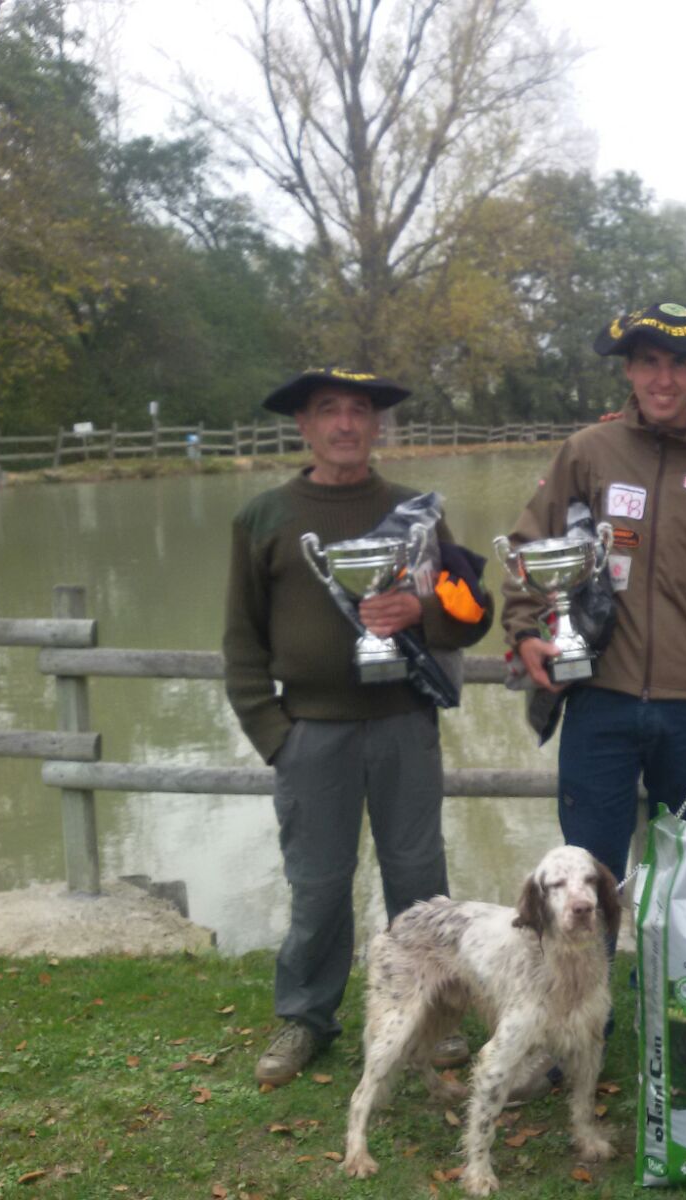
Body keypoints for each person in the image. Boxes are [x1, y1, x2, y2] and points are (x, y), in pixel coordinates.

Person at [223, 368, 491, 1088]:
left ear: (378, 427)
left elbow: (474, 615)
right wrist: (272, 733)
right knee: (316, 886)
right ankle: (306, 1017)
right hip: (310, 733)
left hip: (404, 725)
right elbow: (242, 640)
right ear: (305, 427)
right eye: (327, 411)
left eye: (360, 411)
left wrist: (422, 616)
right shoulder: (264, 518)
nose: (345, 423)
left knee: (420, 884)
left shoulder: (417, 514)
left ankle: (433, 1020)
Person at [501, 300, 686, 898]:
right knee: (585, 877)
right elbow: (532, 546)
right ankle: (588, 993)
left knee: (682, 873)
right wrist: (524, 630)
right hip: (598, 697)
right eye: (649, 362)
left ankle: (666, 990)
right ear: (628, 370)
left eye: (679, 363)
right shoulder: (588, 451)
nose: (664, 378)